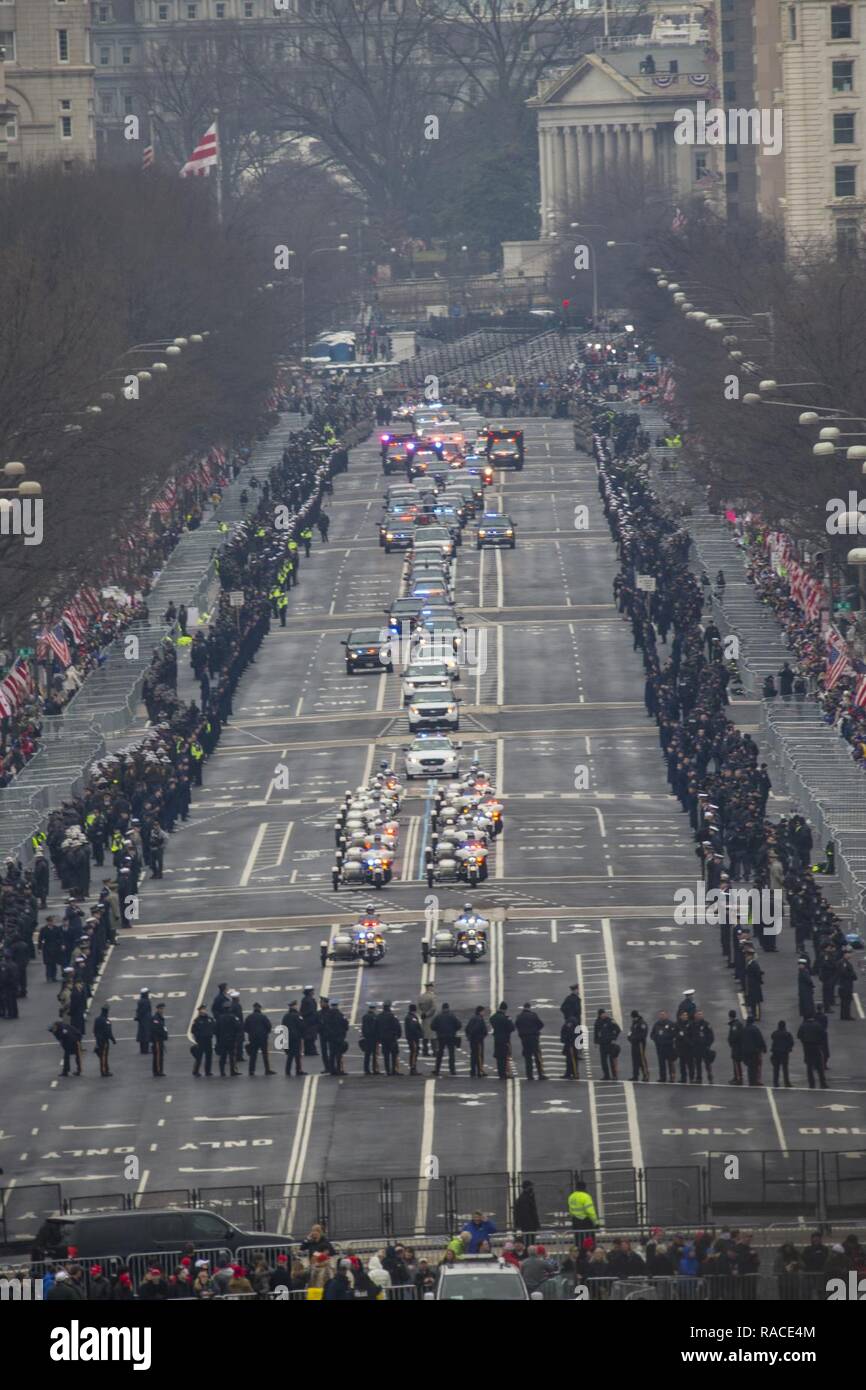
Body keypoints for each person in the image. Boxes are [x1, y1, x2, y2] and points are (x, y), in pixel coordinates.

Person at [516, 1001, 545, 1080]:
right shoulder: (533, 1015)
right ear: (529, 1007)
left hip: (524, 1038)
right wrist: (535, 1030)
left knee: (527, 1057)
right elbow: (541, 1024)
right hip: (533, 1037)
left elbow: (517, 1025)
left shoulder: (519, 1016)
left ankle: (529, 1075)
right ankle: (540, 1074)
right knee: (537, 1056)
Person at [797, 1013, 828, 1088]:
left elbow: (799, 1035)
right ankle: (822, 1083)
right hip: (816, 1046)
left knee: (809, 1066)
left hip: (807, 1047)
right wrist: (820, 1043)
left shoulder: (803, 1026)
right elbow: (823, 1034)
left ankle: (811, 1084)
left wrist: (804, 1041)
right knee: (819, 1066)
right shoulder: (817, 1025)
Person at [244, 1002, 275, 1076]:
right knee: (265, 1055)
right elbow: (269, 1026)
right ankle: (267, 1070)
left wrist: (250, 1033)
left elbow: (245, 1028)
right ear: (260, 1008)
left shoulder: (249, 1017)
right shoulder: (263, 1017)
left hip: (253, 1038)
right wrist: (265, 1033)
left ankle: (251, 1070)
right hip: (263, 1038)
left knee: (253, 1055)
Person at [431, 1002, 461, 1076]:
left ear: (442, 1008)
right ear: (448, 1008)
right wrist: (454, 1030)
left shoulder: (438, 1016)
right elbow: (459, 1025)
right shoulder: (452, 1016)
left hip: (441, 1037)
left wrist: (438, 1030)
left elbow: (432, 1026)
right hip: (451, 1036)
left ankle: (437, 1070)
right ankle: (452, 1070)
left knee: (440, 1054)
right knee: (451, 1054)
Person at [490, 1000, 515, 1079]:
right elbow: (512, 1028)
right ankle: (504, 1073)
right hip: (505, 1039)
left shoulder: (494, 1017)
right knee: (504, 1057)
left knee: (498, 1056)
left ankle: (500, 1072)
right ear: (505, 1009)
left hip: (497, 1038)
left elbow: (491, 1019)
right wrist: (509, 1020)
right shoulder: (505, 1019)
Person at [215, 1003, 241, 1077]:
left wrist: (219, 1039)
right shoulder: (233, 1017)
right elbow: (238, 1027)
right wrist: (236, 1037)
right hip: (231, 1040)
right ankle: (232, 1071)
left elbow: (216, 1029)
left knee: (223, 1057)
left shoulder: (220, 1018)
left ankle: (222, 1072)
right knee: (232, 1056)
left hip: (222, 1040)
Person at [651, 1011, 676, 1082]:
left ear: (667, 1015)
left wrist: (668, 1039)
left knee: (670, 1062)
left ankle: (672, 1077)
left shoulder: (671, 1024)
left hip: (669, 1046)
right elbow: (652, 1034)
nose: (662, 1016)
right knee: (661, 1063)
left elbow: (674, 1034)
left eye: (663, 1014)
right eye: (661, 1015)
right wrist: (656, 1040)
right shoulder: (657, 1024)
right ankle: (662, 1077)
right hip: (660, 1047)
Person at [513, 1181, 540, 1246]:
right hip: (528, 1227)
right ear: (527, 1187)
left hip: (528, 1226)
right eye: (531, 1186)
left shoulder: (527, 1197)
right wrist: (535, 1224)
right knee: (529, 1242)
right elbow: (528, 1214)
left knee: (530, 1242)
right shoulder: (525, 1199)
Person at [466, 1004, 488, 1077]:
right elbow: (483, 1030)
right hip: (478, 1040)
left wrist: (469, 1036)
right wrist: (482, 1036)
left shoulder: (472, 1018)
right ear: (480, 1012)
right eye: (483, 1011)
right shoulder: (480, 1019)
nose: (484, 1013)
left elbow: (467, 1028)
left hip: (472, 1040)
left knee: (473, 1055)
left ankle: (472, 1071)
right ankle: (480, 1071)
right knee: (479, 1056)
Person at [191, 1005, 215, 1077]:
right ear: (199, 1011)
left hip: (208, 1040)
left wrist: (211, 1033)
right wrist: (198, 1038)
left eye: (204, 1009)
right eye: (202, 1009)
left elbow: (214, 1027)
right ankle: (196, 1071)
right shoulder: (197, 1020)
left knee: (209, 1056)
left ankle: (208, 1071)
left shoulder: (210, 1019)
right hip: (201, 1041)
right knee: (199, 1057)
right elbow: (193, 1030)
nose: (204, 1011)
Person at [770, 1020, 794, 1087]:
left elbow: (772, 1037)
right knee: (785, 1068)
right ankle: (786, 1082)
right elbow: (791, 1042)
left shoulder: (775, 1033)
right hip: (784, 1053)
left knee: (776, 1068)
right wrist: (788, 1048)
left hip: (776, 1052)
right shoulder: (787, 1034)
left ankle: (775, 1082)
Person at [93, 1006, 115, 1078]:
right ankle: (104, 1071)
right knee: (104, 1056)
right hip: (104, 1041)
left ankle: (105, 1070)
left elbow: (94, 1030)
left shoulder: (97, 1019)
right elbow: (109, 1032)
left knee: (101, 1055)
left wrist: (97, 1037)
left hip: (98, 1039)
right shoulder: (107, 1020)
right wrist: (113, 1039)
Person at [628, 1010, 649, 1082]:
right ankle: (635, 1075)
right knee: (635, 1060)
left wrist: (634, 1038)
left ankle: (646, 1075)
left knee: (642, 1059)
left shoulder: (642, 1024)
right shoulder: (634, 1023)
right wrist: (630, 1038)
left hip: (640, 1044)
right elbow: (630, 1032)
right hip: (634, 1043)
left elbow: (643, 1035)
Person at [418, 981, 436, 1057]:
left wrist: (422, 1014)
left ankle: (425, 1051)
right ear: (430, 987)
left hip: (424, 1019)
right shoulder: (433, 997)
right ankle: (435, 1051)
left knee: (425, 1036)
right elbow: (434, 1008)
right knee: (433, 1036)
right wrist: (427, 1014)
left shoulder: (421, 996)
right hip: (431, 1018)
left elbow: (418, 1007)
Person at [404, 1003, 423, 1074]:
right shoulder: (412, 1018)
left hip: (411, 1038)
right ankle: (413, 1068)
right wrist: (419, 1034)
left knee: (414, 1052)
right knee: (414, 1052)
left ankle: (413, 1068)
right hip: (413, 1038)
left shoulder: (409, 1017)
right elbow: (413, 1028)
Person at [150, 1002, 168, 1077]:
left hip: (160, 1039)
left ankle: (159, 1070)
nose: (162, 1010)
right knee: (158, 1056)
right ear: (157, 1009)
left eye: (163, 1009)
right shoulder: (155, 1018)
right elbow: (156, 1029)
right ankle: (158, 1071)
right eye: (161, 1009)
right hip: (157, 1040)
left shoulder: (160, 1017)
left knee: (160, 1055)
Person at [134, 988, 152, 1055]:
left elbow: (138, 1010)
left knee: (141, 1034)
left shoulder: (140, 1001)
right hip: (146, 1020)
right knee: (146, 1034)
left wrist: (137, 1017)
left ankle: (142, 1049)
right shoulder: (146, 1001)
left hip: (141, 1020)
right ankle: (145, 1050)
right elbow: (144, 1011)